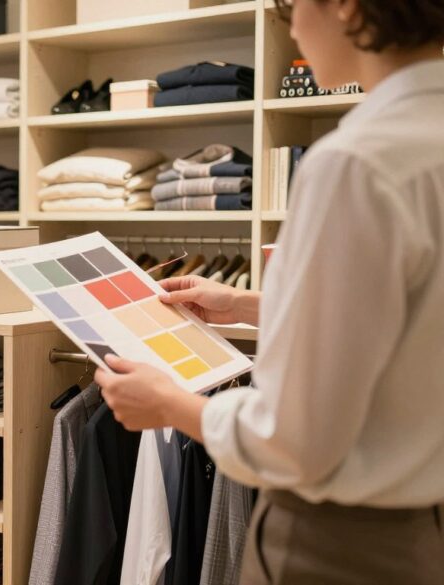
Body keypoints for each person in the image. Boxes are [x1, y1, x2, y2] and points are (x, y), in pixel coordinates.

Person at [94, 1, 444, 583]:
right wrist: (249, 304)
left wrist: (173, 406)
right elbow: (410, 320)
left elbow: (295, 439)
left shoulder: (356, 161)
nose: (292, 25)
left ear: (344, 6)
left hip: (338, 543)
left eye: (290, 6)